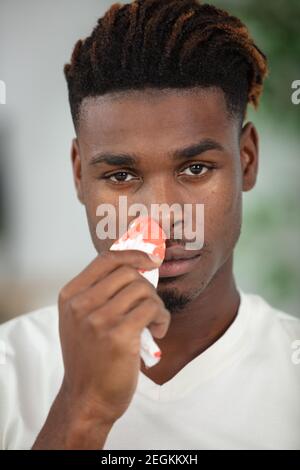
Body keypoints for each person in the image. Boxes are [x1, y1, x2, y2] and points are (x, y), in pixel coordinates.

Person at [0, 0, 299, 450]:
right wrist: (82, 411)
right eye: (121, 176)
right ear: (79, 174)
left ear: (247, 160)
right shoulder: (8, 368)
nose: (161, 214)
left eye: (196, 169)